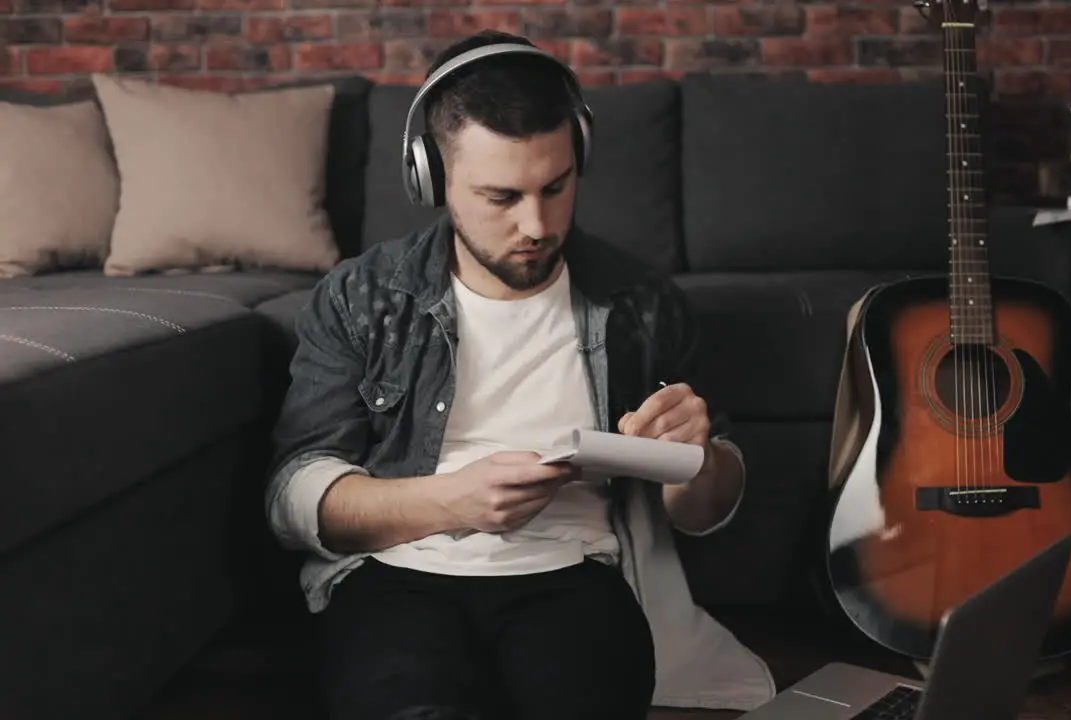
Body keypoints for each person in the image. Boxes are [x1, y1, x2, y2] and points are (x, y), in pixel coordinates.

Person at [264, 30, 765, 720]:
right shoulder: (362, 295)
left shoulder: (642, 303)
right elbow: (295, 499)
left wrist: (697, 463)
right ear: (430, 178)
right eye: (501, 197)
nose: (536, 223)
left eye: (555, 187)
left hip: (574, 576)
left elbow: (708, 509)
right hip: (397, 576)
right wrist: (452, 503)